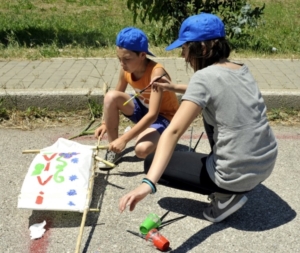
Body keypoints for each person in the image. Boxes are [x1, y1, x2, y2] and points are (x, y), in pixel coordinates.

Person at [119, 13, 278, 223]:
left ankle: (224, 198)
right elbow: (213, 88)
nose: (184, 56)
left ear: (203, 48)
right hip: (266, 163)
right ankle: (233, 185)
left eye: (185, 49)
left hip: (233, 176)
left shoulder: (202, 78)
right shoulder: (241, 69)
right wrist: (173, 87)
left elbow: (173, 132)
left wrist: (147, 184)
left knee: (151, 163)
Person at [94, 27, 179, 169]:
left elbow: (153, 115)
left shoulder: (156, 73)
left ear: (142, 55)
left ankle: (167, 141)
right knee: (110, 97)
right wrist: (104, 123)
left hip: (164, 116)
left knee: (141, 150)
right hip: (143, 108)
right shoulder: (126, 68)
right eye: (119, 59)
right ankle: (114, 150)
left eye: (127, 59)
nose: (122, 64)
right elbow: (116, 94)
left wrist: (125, 139)